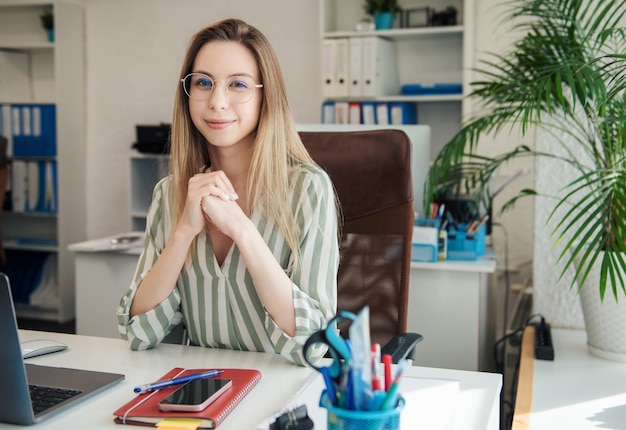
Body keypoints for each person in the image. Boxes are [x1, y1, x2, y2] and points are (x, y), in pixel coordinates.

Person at [117, 18, 339, 366]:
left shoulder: (308, 190)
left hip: (283, 397)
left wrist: (244, 231)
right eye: (204, 82)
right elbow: (137, 332)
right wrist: (183, 233)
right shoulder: (169, 195)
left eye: (238, 84)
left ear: (267, 96)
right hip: (201, 393)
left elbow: (313, 345)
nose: (217, 101)